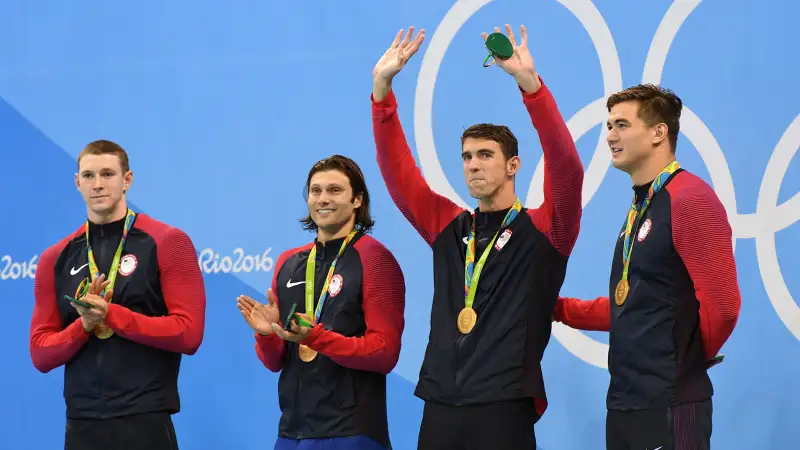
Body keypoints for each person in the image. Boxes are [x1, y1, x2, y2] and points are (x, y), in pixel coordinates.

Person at [371, 25, 584, 449]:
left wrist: (531, 87)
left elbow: (568, 166)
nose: (473, 165)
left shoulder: (546, 229)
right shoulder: (450, 226)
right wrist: (382, 91)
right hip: (439, 406)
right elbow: (399, 179)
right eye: (467, 156)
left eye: (485, 155)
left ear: (513, 165)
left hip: (503, 407)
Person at [553, 84, 741, 450]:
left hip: (671, 401)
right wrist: (559, 310)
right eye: (608, 126)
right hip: (625, 402)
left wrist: (682, 359)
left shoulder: (690, 199)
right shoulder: (640, 207)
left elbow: (725, 307)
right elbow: (637, 303)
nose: (610, 135)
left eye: (622, 125)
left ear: (659, 132)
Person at [29, 140, 207, 450]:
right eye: (88, 176)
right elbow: (41, 353)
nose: (97, 185)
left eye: (107, 174)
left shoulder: (167, 242)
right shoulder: (54, 258)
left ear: (127, 180)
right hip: (81, 424)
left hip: (145, 420)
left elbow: (189, 333)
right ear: (77, 182)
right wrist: (83, 326)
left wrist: (112, 315)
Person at [237, 155, 406, 450]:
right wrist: (267, 334)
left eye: (335, 190)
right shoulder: (288, 263)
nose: (323, 199)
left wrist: (317, 338)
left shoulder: (375, 259)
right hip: (292, 433)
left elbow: (385, 353)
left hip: (351, 432)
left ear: (357, 200)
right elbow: (275, 362)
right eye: (315, 191)